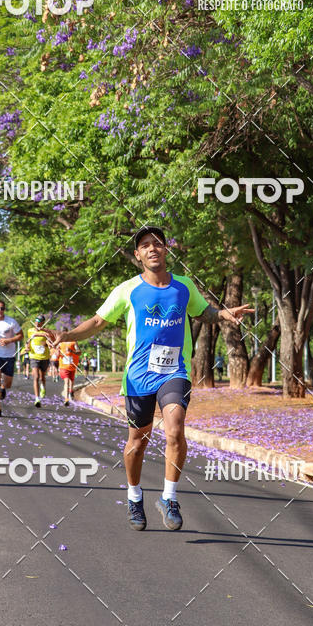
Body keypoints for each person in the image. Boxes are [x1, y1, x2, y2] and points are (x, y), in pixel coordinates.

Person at [46, 227, 254, 532]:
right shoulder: (127, 289)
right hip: (138, 376)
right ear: (138, 255)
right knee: (137, 443)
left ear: (167, 250)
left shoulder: (183, 286)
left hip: (175, 372)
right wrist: (67, 334)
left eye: (158, 243)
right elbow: (98, 321)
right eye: (145, 245)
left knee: (175, 428)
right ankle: (134, 495)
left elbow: (203, 312)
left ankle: (169, 498)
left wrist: (223, 314)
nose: (152, 248)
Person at [26, 314, 50, 407]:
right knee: (35, 377)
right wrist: (27, 347)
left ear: (43, 323)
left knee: (42, 377)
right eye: (36, 321)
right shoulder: (30, 330)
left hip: (44, 357)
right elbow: (29, 340)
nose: (37, 323)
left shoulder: (46, 332)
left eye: (39, 322)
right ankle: (37, 398)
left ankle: (43, 387)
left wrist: (48, 343)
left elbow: (48, 340)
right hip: (33, 356)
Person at [58, 330, 80, 405]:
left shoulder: (73, 342)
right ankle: (66, 399)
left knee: (71, 382)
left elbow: (79, 352)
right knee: (66, 381)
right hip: (63, 367)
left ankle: (71, 391)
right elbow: (56, 353)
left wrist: (72, 351)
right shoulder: (59, 342)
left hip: (72, 366)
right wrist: (57, 351)